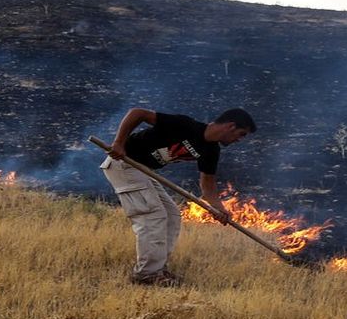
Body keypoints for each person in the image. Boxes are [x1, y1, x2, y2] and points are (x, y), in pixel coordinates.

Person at [101, 107, 256, 286]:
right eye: (241, 134)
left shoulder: (211, 150)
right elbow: (137, 113)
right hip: (124, 164)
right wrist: (119, 143)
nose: (239, 140)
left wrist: (219, 209)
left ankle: (158, 268)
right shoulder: (186, 125)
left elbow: (207, 185)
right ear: (230, 126)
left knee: (172, 215)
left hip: (143, 171)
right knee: (153, 216)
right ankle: (147, 274)